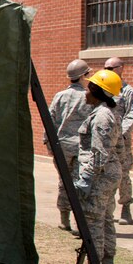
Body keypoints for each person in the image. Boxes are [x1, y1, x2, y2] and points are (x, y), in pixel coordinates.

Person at [73, 69, 124, 264]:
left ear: (97, 91)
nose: (85, 92)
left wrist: (86, 179)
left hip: (100, 177)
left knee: (93, 221)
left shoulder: (102, 116)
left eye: (88, 88)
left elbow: (99, 154)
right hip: (109, 175)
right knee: (106, 220)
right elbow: (119, 148)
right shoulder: (109, 112)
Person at [46, 59, 93, 232]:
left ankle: (64, 219)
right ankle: (77, 222)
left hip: (62, 145)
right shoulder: (87, 96)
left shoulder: (60, 96)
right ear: (83, 76)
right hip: (81, 147)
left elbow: (50, 120)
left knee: (63, 182)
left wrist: (49, 144)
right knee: (80, 183)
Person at [103, 57, 133, 225]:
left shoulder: (128, 92)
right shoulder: (103, 90)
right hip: (104, 140)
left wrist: (121, 134)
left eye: (111, 67)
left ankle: (126, 207)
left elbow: (131, 114)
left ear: (121, 68)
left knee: (123, 174)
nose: (108, 70)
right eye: (106, 67)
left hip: (122, 141)